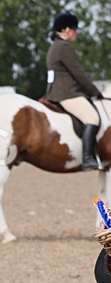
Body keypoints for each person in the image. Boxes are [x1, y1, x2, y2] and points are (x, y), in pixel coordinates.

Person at [45, 11, 104, 170]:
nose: (75, 32)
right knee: (92, 118)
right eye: (74, 29)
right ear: (64, 30)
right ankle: (87, 159)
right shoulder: (64, 47)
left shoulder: (54, 47)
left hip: (55, 92)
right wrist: (95, 92)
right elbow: (78, 74)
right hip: (68, 94)